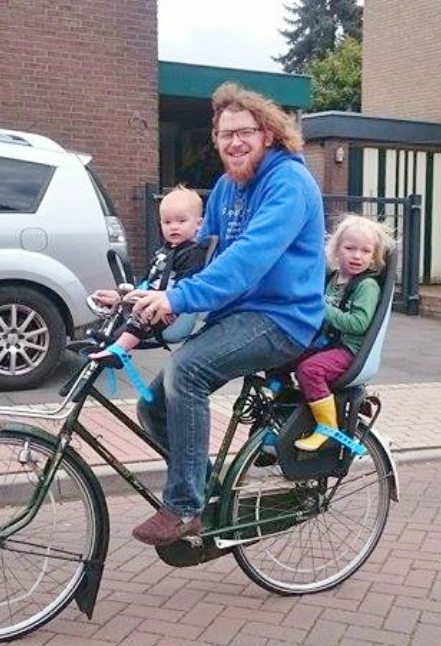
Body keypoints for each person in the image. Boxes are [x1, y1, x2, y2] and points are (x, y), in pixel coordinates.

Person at [127, 82, 327, 546]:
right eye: (224, 134)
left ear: (269, 134)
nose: (234, 142)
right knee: (153, 406)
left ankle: (184, 508)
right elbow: (200, 257)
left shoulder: (289, 183)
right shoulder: (225, 188)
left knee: (187, 371)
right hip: (236, 317)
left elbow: (250, 260)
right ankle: (211, 489)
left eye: (245, 132)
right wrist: (138, 293)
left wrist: (179, 301)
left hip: (283, 319)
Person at [292, 214, 395, 451]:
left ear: (374, 257)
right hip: (328, 344)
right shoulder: (333, 279)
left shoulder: (367, 287)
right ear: (337, 250)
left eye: (366, 251)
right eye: (350, 248)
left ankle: (327, 427)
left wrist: (322, 308)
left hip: (349, 350)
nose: (357, 256)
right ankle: (283, 419)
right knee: (282, 355)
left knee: (310, 370)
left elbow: (359, 324)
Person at [88, 186, 207, 364]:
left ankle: (118, 350)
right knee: (124, 299)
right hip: (154, 299)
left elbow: (187, 287)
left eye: (181, 221)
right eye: (167, 222)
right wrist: (124, 296)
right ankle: (108, 339)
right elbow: (147, 281)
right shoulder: (164, 251)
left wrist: (162, 299)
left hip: (172, 309)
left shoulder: (193, 253)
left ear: (198, 224)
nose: (174, 227)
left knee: (144, 311)